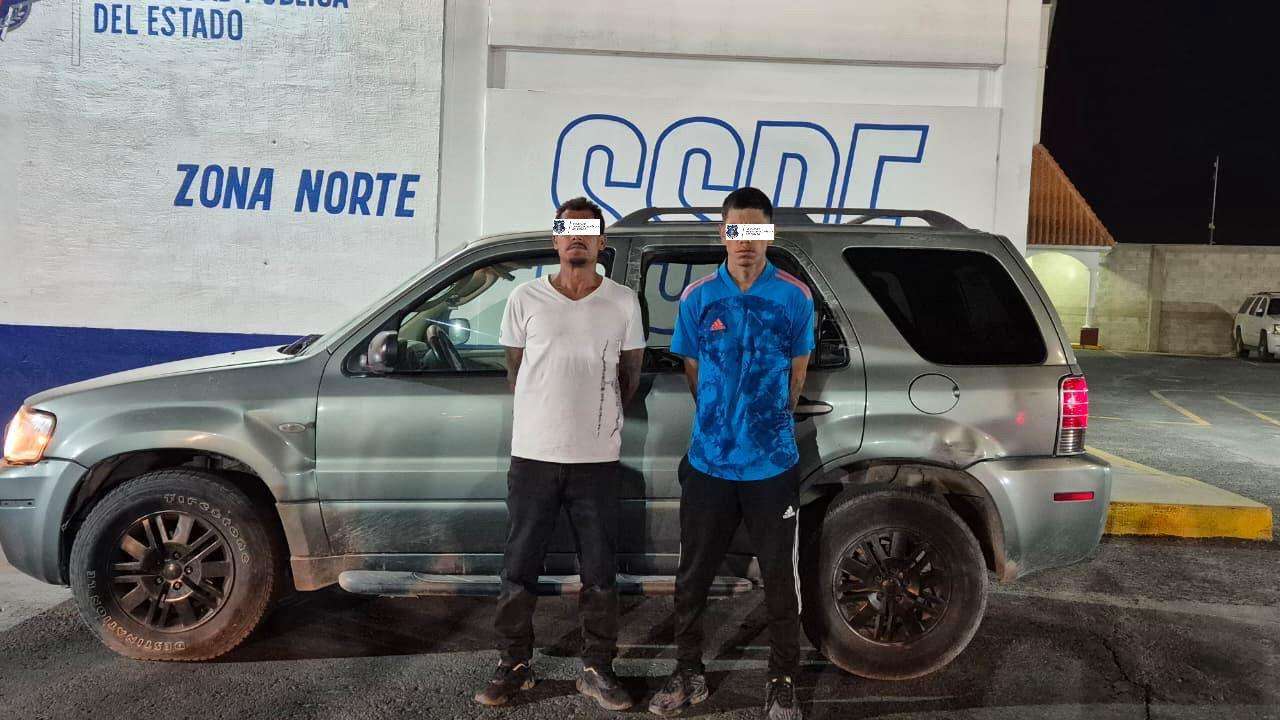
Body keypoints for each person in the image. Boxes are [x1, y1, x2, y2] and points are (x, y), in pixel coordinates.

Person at [473, 197, 646, 710]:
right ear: (555, 239)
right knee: (518, 568)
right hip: (533, 457)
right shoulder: (524, 298)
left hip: (597, 461)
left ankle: (598, 668)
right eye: (567, 229)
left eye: (587, 230)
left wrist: (592, 420)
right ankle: (514, 665)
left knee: (599, 572)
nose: (577, 238)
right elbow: (516, 371)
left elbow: (630, 377)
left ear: (601, 243)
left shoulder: (622, 302)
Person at [648, 188, 813, 720]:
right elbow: (693, 371)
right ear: (723, 234)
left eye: (756, 231)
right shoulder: (697, 298)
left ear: (769, 235)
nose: (746, 242)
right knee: (692, 576)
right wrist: (721, 423)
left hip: (772, 466)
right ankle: (688, 672)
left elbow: (797, 375)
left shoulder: (795, 297)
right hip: (709, 464)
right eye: (736, 231)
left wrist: (764, 425)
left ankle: (783, 678)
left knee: (779, 578)